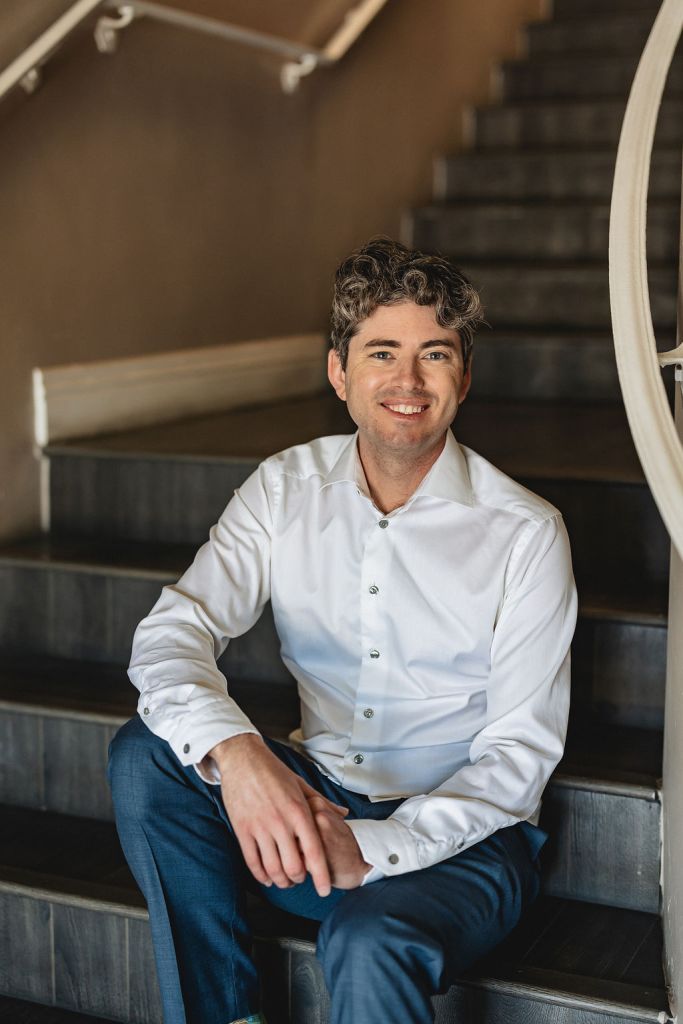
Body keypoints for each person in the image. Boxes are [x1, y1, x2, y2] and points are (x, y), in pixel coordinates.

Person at [108, 237, 577, 1024]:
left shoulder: (525, 531)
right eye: (380, 352)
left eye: (434, 354)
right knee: (146, 757)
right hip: (315, 806)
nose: (406, 380)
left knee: (367, 938)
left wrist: (375, 847)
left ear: (462, 376)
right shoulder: (283, 487)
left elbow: (515, 761)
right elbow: (172, 631)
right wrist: (240, 755)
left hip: (465, 844)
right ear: (338, 371)